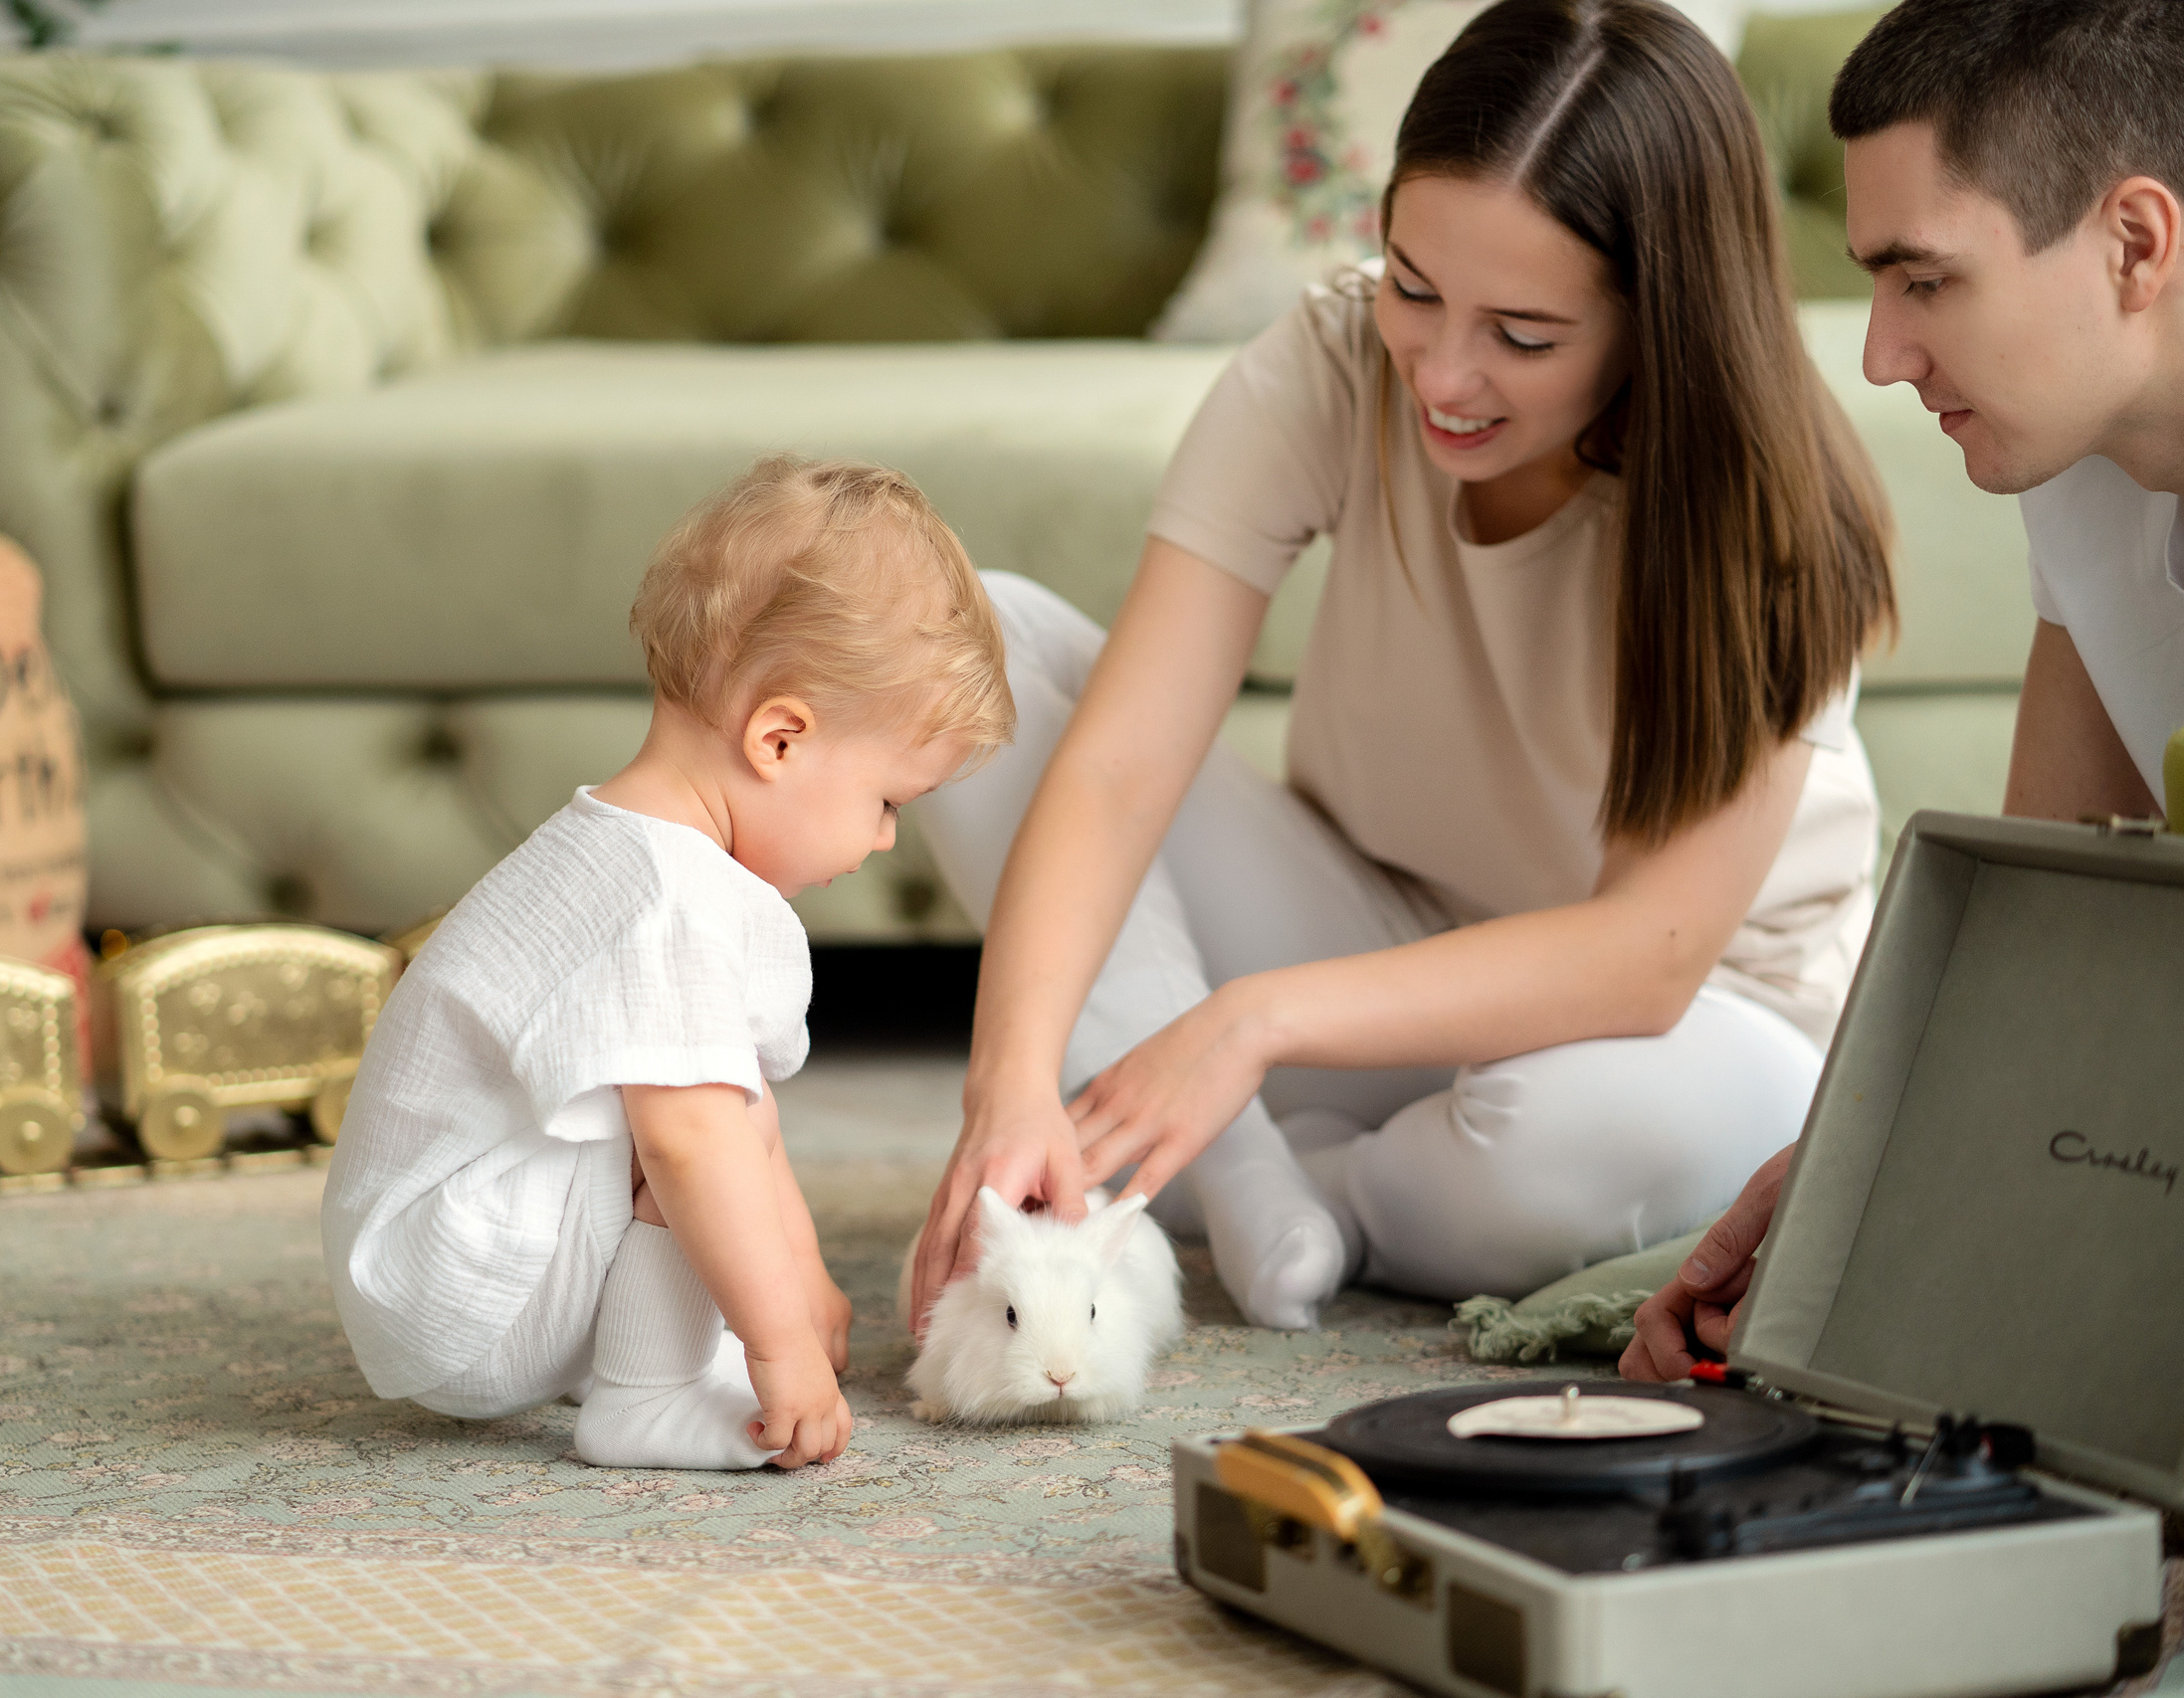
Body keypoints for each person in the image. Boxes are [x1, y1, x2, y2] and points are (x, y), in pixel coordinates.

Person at [903, 0, 1897, 1338]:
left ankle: (1306, 1178)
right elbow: (1124, 757)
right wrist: (1007, 1077)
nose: (1442, 370)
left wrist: (1247, 1021)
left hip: (1680, 1027)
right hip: (1376, 935)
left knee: (1576, 1136)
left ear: (1661, 316)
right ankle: (1243, 1169)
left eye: (1525, 335)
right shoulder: (1328, 360)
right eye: (1414, 287)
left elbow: (1643, 959)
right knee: (985, 648)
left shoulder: (1768, 509)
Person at [1624, 0, 2184, 1381]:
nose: (1879, 355)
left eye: (1924, 282)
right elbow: (2039, 949)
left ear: (2134, 243)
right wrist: (1849, 1201)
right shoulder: (2079, 471)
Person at [323, 458, 1014, 1465]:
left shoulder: (626, 849)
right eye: (887, 802)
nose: (884, 842)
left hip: (442, 1260)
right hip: (455, 1288)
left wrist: (800, 1272)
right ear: (779, 739)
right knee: (698, 1119)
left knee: (712, 1095)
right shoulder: (667, 894)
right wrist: (777, 1344)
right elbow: (694, 1143)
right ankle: (644, 1397)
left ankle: (678, 1352)